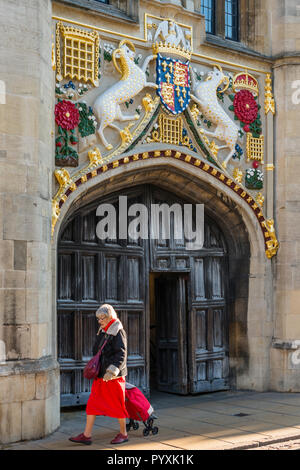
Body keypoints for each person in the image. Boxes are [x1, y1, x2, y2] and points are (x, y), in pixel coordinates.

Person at [69, 304, 129, 445]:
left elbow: (121, 353)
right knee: (92, 404)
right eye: (98, 318)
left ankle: (124, 434)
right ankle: (86, 435)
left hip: (113, 376)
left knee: (117, 405)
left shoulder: (118, 331)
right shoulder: (104, 330)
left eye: (102, 318)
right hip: (101, 374)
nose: (99, 321)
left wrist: (112, 370)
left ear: (110, 317)